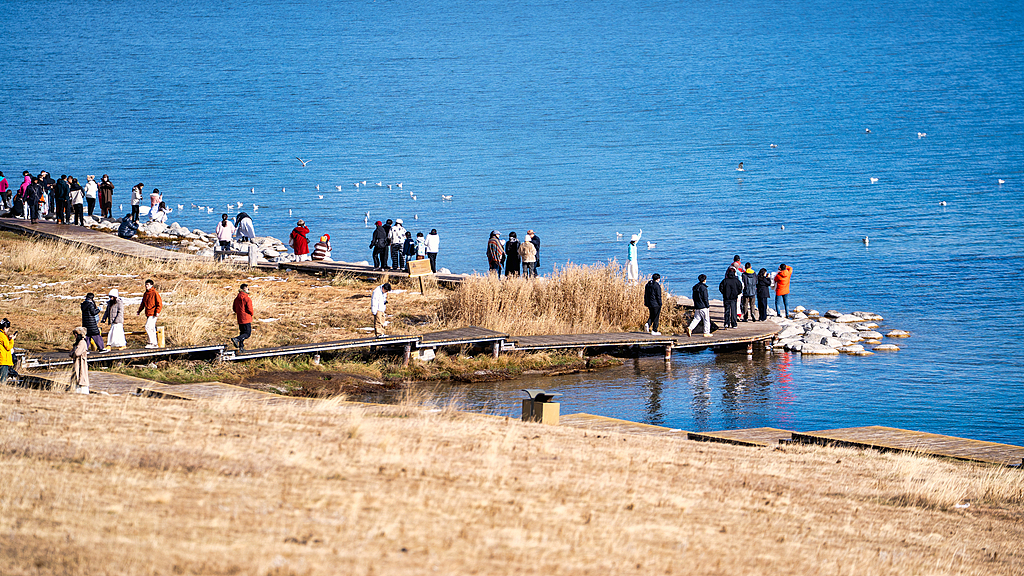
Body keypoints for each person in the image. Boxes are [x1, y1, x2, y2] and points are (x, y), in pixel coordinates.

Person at [137, 279, 162, 348]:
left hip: (153, 313)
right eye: (145, 284)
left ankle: (151, 342)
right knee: (152, 328)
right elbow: (143, 303)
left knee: (147, 327)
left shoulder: (155, 293)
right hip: (148, 313)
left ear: (151, 285)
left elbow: (159, 303)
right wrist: (139, 311)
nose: (146, 286)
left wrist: (157, 311)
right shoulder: (146, 294)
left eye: (148, 284)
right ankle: (154, 343)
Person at [231, 283, 254, 352]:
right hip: (246, 318)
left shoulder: (236, 299)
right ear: (244, 289)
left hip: (240, 318)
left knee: (242, 333)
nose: (248, 290)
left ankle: (241, 348)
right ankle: (236, 339)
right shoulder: (247, 298)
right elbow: (250, 309)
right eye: (247, 288)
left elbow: (234, 308)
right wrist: (251, 314)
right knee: (247, 334)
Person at [69, 327, 90, 394]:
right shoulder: (77, 343)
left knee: (81, 376)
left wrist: (73, 353)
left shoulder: (82, 342)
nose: (75, 335)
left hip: (81, 363)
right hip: (76, 363)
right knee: (76, 377)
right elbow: (71, 353)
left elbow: (77, 353)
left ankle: (83, 392)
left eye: (76, 333)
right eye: (74, 333)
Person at [0, 318, 17, 385]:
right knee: (2, 380)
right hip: (3, 360)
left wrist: (9, 339)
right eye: (7, 328)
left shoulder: (2, 335)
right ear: (5, 328)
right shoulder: (2, 336)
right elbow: (8, 347)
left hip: (2, 359)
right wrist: (12, 340)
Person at [729, 255, 744, 322]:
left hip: (731, 287)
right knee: (739, 302)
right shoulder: (742, 267)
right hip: (739, 287)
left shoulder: (730, 267)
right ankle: (738, 314)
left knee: (732, 302)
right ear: (739, 260)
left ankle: (733, 315)